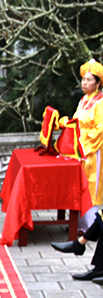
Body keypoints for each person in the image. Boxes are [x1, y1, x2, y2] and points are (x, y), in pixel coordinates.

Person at [51, 59, 103, 262]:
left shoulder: (100, 103)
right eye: (83, 79)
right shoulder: (84, 100)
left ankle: (89, 228)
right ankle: (84, 230)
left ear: (97, 83)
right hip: (80, 149)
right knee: (81, 184)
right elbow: (77, 121)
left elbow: (100, 129)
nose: (84, 83)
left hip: (93, 149)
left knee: (92, 186)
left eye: (89, 80)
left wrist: (85, 145)